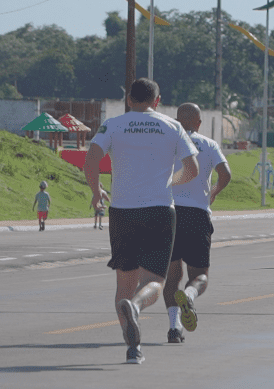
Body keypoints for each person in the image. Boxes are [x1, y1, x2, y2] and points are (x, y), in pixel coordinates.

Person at [83, 78, 199, 364]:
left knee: (124, 284)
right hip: (159, 209)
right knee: (155, 283)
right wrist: (171, 182)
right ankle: (136, 306)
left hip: (122, 211)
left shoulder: (113, 124)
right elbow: (192, 169)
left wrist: (96, 191)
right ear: (157, 101)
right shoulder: (173, 126)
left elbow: (91, 160)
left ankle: (133, 348)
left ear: (129, 100)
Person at [163, 103, 231, 344]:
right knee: (199, 275)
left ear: (176, 120)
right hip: (197, 214)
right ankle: (190, 295)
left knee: (172, 277)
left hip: (168, 213)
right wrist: (213, 191)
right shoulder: (209, 144)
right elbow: (226, 174)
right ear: (199, 123)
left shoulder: (168, 142)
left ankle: (174, 328)